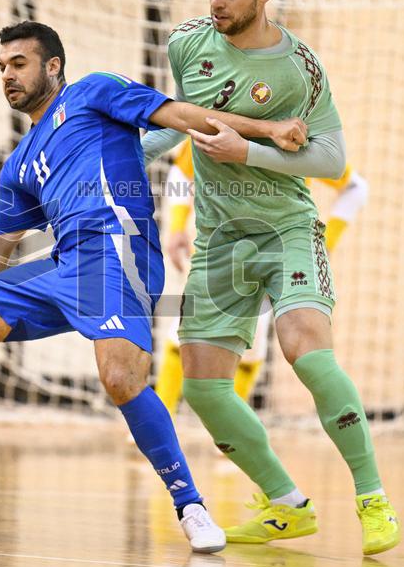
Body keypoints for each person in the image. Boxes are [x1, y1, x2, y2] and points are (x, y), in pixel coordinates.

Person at [0, 20, 307, 554]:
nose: (8, 76)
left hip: (117, 251)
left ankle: (191, 506)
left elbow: (177, 114)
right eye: (2, 68)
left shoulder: (93, 92)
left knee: (121, 379)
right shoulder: (19, 162)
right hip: (65, 267)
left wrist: (264, 130)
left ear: (52, 66)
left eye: (19, 64)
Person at [141, 0, 400, 556]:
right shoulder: (187, 45)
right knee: (203, 386)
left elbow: (334, 157)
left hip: (285, 228)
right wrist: (108, 157)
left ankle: (371, 499)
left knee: (304, 349)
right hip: (219, 237)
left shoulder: (299, 67)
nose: (217, 3)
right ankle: (286, 505)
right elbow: (175, 125)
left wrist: (249, 151)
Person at [154, 140, 370, 410]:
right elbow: (181, 171)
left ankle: (231, 434)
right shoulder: (222, 119)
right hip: (219, 245)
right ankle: (161, 419)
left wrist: (323, 245)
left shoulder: (302, 141)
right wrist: (176, 228)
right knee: (185, 332)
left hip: (272, 256)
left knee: (250, 348)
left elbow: (356, 189)